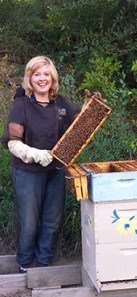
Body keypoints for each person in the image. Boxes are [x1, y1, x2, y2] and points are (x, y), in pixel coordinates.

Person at [2, 56, 80, 273]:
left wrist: (89, 109)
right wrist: (36, 154)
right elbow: (13, 142)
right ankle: (25, 264)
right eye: (37, 74)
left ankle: (44, 262)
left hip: (56, 171)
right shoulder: (22, 105)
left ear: (53, 77)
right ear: (30, 78)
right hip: (28, 172)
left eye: (46, 74)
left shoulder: (62, 104)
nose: (42, 78)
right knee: (28, 222)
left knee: (52, 221)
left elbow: (80, 125)